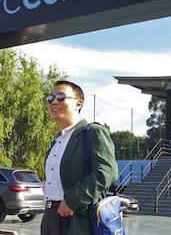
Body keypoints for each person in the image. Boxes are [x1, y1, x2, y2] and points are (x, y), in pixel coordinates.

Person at [41, 80, 118, 235]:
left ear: (78, 103)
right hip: (50, 216)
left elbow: (106, 173)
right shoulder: (56, 142)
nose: (54, 102)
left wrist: (71, 201)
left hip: (76, 219)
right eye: (50, 99)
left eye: (61, 97)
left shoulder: (92, 132)